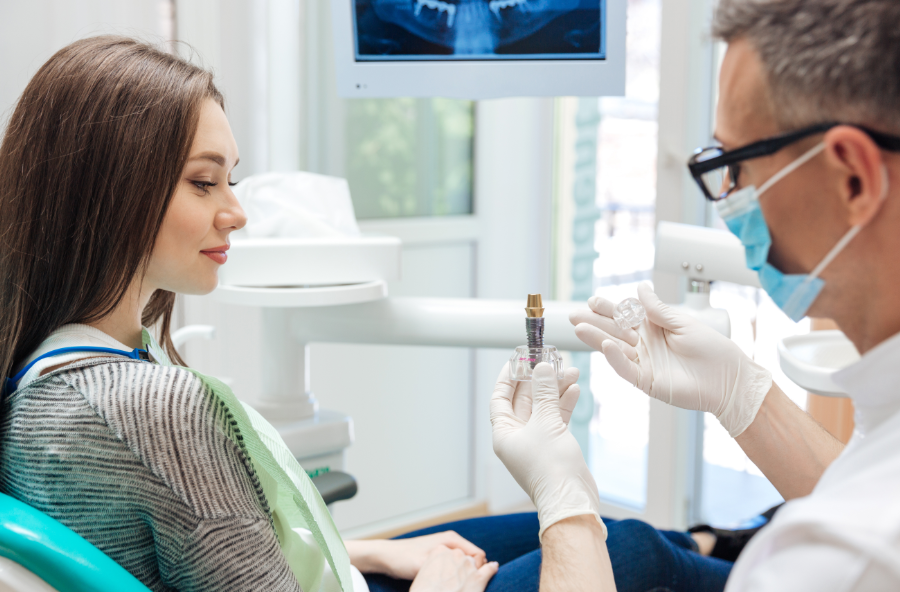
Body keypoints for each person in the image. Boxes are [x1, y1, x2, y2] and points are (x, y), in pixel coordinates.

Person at [491, 0, 900, 590]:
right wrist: (743, 396)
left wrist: (565, 506)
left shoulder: (833, 562)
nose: (729, 198)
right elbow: (862, 481)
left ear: (853, 177)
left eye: (736, 164)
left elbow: (860, 521)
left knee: (628, 550)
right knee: (641, 546)